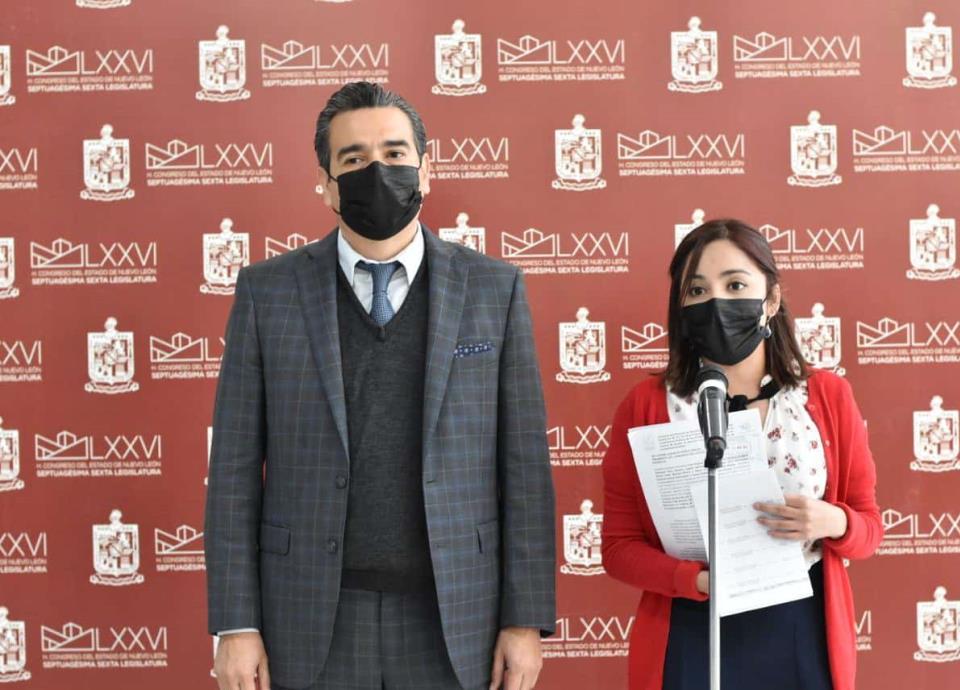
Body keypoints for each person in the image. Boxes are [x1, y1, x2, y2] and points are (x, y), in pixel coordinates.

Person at [205, 82, 556, 690]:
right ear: (325, 183)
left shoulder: (493, 290)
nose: (378, 171)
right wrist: (235, 624)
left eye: (394, 154)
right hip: (310, 616)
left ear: (427, 168)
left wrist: (524, 620)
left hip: (454, 617)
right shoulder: (268, 293)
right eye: (354, 159)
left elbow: (524, 467)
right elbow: (233, 470)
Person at [600, 219, 882, 690]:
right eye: (697, 290)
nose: (716, 303)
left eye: (735, 285)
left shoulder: (826, 396)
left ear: (770, 299)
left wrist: (834, 521)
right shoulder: (647, 405)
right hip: (692, 625)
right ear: (681, 308)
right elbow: (618, 549)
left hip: (801, 627)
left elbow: (869, 529)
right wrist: (694, 581)